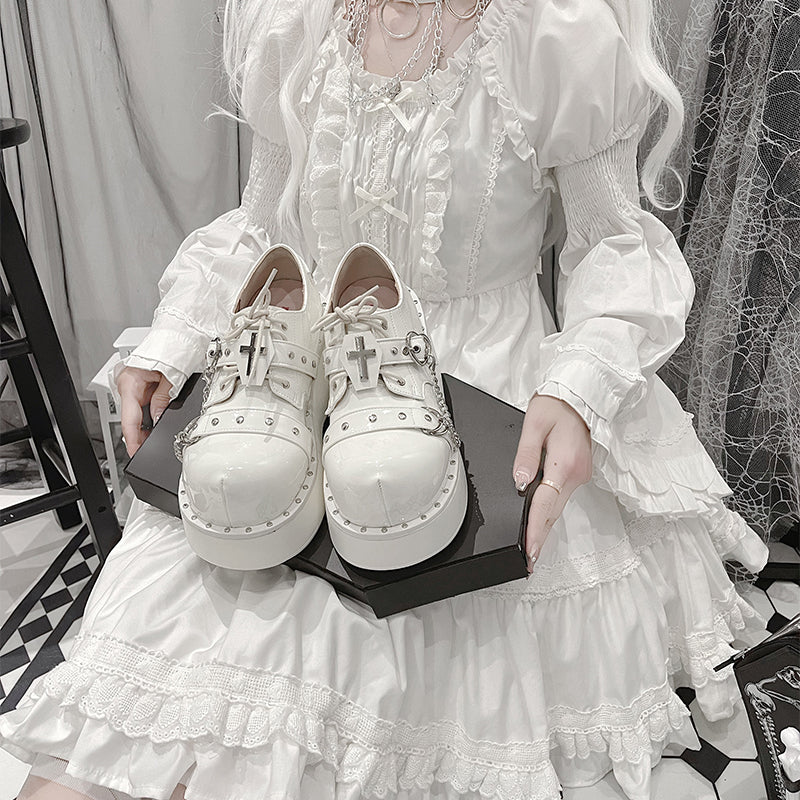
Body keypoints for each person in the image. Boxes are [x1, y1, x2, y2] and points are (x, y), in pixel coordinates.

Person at [1, 1, 771, 798]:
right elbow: (262, 225)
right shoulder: (296, 19)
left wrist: (581, 389)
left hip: (482, 390)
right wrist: (178, 336)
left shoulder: (554, 32)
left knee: (374, 678)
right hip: (299, 381)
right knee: (121, 730)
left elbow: (613, 241)